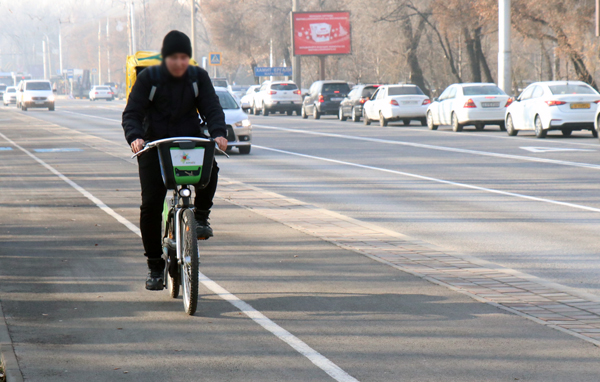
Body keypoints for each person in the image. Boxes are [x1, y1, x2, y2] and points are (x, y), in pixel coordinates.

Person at [122, 30, 228, 291]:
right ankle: (155, 266)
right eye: (174, 57)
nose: (179, 63)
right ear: (165, 57)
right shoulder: (149, 79)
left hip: (187, 141)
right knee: (150, 205)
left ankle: (201, 217)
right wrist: (135, 137)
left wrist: (218, 132)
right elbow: (132, 113)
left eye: (184, 57)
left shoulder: (197, 77)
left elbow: (211, 107)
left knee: (211, 168)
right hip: (154, 145)